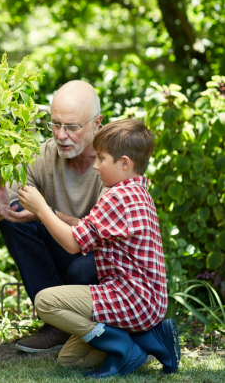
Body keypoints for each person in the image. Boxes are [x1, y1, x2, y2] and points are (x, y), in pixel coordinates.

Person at [15, 119, 178, 377]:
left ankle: (122, 345)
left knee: (45, 302)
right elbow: (87, 229)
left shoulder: (118, 197)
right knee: (70, 359)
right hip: (147, 301)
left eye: (101, 159)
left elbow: (72, 244)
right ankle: (149, 339)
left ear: (124, 163)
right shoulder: (139, 192)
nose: (95, 165)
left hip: (131, 298)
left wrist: (41, 208)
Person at [0, 81, 104, 352]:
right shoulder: (43, 155)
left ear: (96, 123)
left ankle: (91, 327)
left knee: (83, 266)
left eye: (72, 127)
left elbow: (104, 235)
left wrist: (46, 213)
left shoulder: (114, 160)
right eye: (55, 124)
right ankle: (56, 325)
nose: (61, 135)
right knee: (14, 216)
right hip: (65, 253)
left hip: (102, 265)